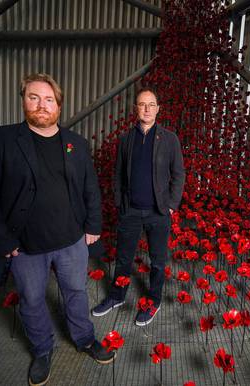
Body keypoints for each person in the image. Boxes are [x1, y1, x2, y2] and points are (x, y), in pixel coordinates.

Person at [0, 73, 114, 386]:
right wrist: (2, 240)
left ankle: (85, 338)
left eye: (49, 99)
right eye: (34, 97)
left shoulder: (75, 143)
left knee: (76, 292)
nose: (41, 105)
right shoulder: (0, 140)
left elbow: (90, 187)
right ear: (23, 100)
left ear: (59, 106)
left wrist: (93, 225)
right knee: (32, 299)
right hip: (24, 245)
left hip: (71, 240)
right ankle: (42, 349)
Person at [91, 87, 185, 326]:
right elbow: (118, 175)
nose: (146, 109)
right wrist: (120, 203)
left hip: (158, 212)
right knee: (123, 259)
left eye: (151, 104)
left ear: (158, 109)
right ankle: (117, 296)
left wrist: (171, 205)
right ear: (135, 109)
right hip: (130, 210)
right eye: (142, 104)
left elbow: (179, 174)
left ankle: (153, 300)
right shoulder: (125, 139)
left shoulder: (170, 139)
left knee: (158, 261)